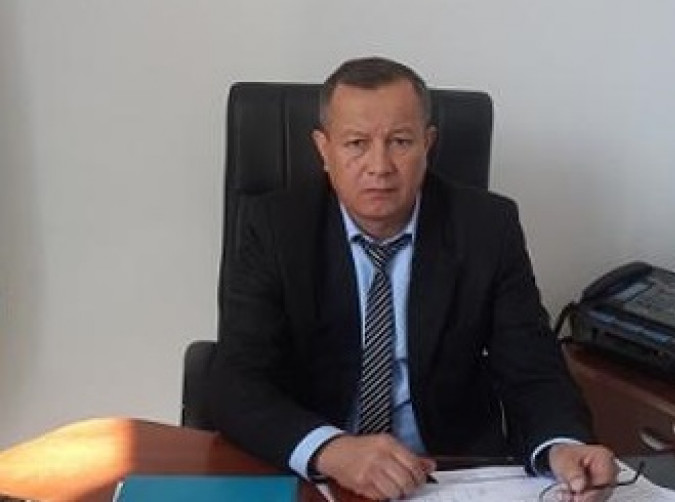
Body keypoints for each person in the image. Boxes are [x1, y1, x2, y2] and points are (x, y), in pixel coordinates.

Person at [209, 56, 617, 501]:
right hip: (320, 476)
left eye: (400, 141)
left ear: (428, 143)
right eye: (356, 143)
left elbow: (533, 370)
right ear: (324, 150)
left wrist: (561, 445)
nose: (379, 166)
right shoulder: (276, 227)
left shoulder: (487, 228)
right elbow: (237, 382)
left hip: (446, 477)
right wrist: (332, 449)